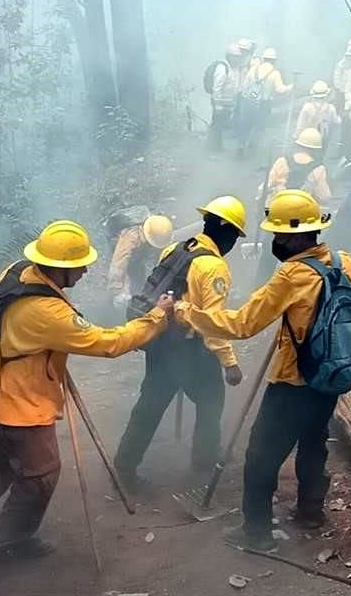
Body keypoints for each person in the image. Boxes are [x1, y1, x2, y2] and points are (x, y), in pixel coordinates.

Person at [0, 220, 174, 564]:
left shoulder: (19, 272)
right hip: (19, 408)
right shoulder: (48, 312)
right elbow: (108, 343)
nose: (83, 272)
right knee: (40, 475)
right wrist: (156, 318)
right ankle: (9, 541)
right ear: (58, 267)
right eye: (77, 267)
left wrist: (46, 349)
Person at [175, 190, 351, 552]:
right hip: (332, 373)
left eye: (278, 235)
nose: (274, 241)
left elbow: (243, 324)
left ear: (296, 235)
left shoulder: (291, 275)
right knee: (313, 442)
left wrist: (189, 314)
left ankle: (256, 534)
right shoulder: (344, 261)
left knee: (260, 455)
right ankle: (310, 511)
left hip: (294, 381)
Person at [114, 196, 247, 487]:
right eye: (235, 236)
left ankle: (124, 466)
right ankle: (203, 462)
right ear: (227, 233)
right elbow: (212, 323)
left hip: (160, 341)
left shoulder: (177, 248)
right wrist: (230, 363)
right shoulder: (213, 267)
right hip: (190, 349)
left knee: (149, 404)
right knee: (211, 401)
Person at [107, 214, 174, 309]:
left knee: (140, 278)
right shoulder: (130, 238)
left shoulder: (158, 227)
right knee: (135, 271)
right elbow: (118, 264)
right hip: (122, 245)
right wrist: (117, 291)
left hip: (142, 244)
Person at [236, 47, 293, 157]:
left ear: (263, 58)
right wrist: (292, 87)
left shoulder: (253, 69)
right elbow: (280, 89)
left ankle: (241, 146)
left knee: (245, 125)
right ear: (274, 61)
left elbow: (244, 86)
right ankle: (253, 147)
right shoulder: (275, 73)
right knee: (259, 126)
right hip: (263, 105)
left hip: (248, 102)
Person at [261, 128, 331, 206]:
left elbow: (267, 185)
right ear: (316, 149)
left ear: (298, 145)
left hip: (277, 209)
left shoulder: (282, 161)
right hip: (302, 211)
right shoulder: (319, 169)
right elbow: (323, 197)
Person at [209, 44, 243, 151]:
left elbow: (235, 86)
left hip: (229, 104)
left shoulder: (235, 69)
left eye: (238, 57)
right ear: (228, 56)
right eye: (234, 57)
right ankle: (212, 149)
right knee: (217, 127)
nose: (236, 59)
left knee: (222, 126)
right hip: (220, 104)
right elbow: (217, 88)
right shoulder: (222, 68)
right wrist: (218, 105)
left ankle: (218, 147)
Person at [294, 81, 341, 155]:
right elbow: (336, 122)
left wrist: (296, 136)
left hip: (307, 137)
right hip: (323, 137)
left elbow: (301, 124)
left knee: (307, 155)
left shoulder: (307, 107)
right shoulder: (331, 108)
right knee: (320, 156)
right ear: (326, 95)